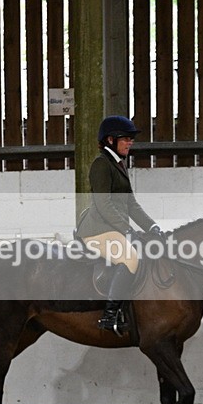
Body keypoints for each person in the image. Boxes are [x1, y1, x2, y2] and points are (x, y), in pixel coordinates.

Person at [75, 115, 164, 335]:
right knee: (130, 257)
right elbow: (103, 203)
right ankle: (109, 315)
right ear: (110, 140)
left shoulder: (119, 164)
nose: (130, 142)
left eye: (130, 139)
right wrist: (127, 230)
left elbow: (131, 204)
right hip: (97, 231)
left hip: (113, 228)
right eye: (125, 138)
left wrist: (152, 227)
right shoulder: (101, 165)